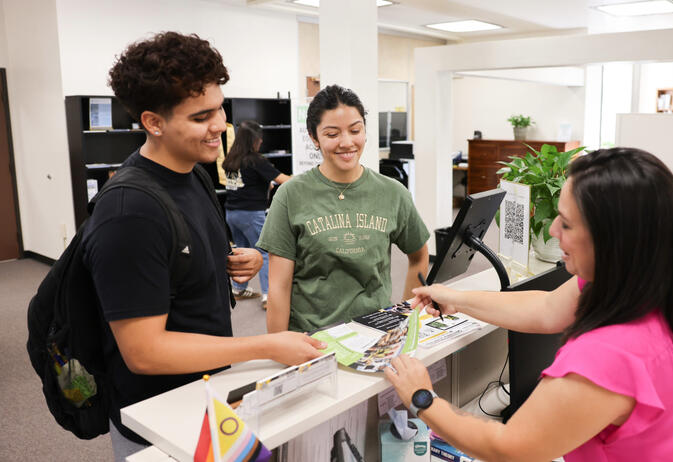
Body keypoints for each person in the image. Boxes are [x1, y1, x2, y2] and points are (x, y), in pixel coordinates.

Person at [385, 148, 673, 461]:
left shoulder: (608, 357)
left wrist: (424, 399)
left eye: (567, 224)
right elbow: (545, 310)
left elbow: (509, 448)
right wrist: (456, 297)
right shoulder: (652, 283)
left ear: (610, 240)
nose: (554, 231)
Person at [86, 31, 324, 461]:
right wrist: (266, 345)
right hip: (156, 420)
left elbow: (183, 261)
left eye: (220, 110)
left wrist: (237, 258)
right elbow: (144, 351)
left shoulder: (194, 173)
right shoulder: (129, 211)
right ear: (153, 122)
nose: (220, 126)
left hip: (207, 395)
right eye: (201, 117)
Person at [257, 84, 430, 333]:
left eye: (355, 130)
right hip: (313, 340)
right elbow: (279, 287)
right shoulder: (290, 195)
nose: (347, 142)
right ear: (314, 137)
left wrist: (404, 319)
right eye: (332, 134)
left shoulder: (392, 192)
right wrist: (279, 347)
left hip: (376, 335)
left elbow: (419, 255)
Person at [222, 120, 291, 305]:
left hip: (231, 213)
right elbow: (284, 180)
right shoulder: (256, 160)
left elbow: (243, 182)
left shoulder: (231, 159)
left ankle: (239, 289)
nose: (260, 143)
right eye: (259, 140)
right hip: (251, 214)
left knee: (240, 253)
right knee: (264, 253)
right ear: (254, 140)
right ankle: (268, 295)